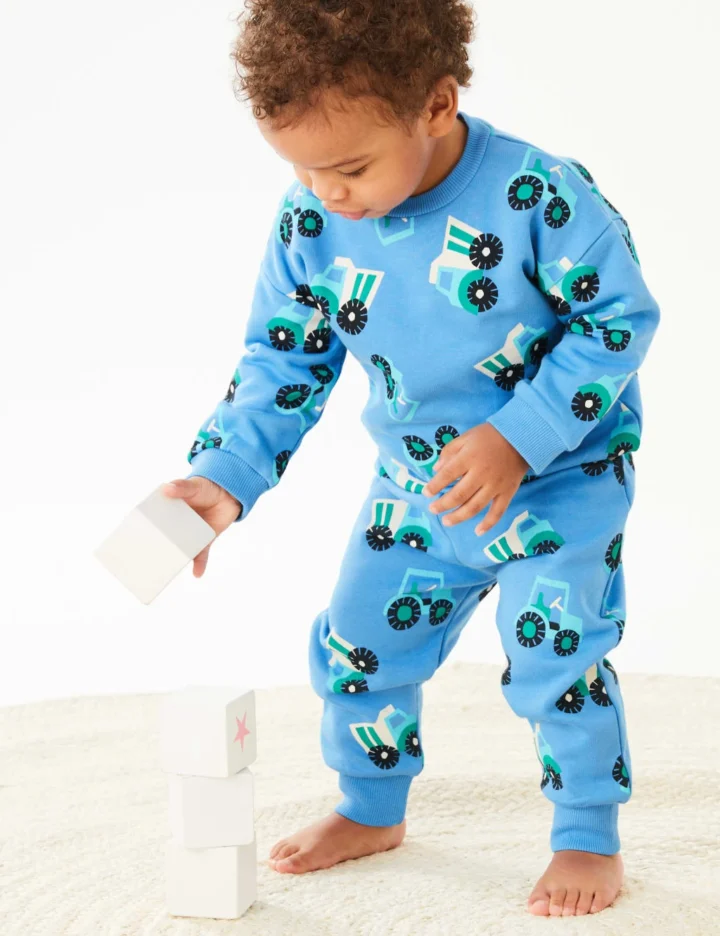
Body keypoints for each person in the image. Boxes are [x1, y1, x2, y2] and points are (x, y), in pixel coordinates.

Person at [163, 0, 660, 918]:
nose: (327, 192)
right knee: (358, 643)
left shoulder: (539, 196)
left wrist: (518, 436)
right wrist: (224, 477)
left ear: (436, 104)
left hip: (562, 481)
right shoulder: (312, 224)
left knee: (555, 658)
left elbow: (618, 321)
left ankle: (587, 832)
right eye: (303, 169)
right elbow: (284, 360)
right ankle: (370, 806)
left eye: (350, 168)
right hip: (418, 490)